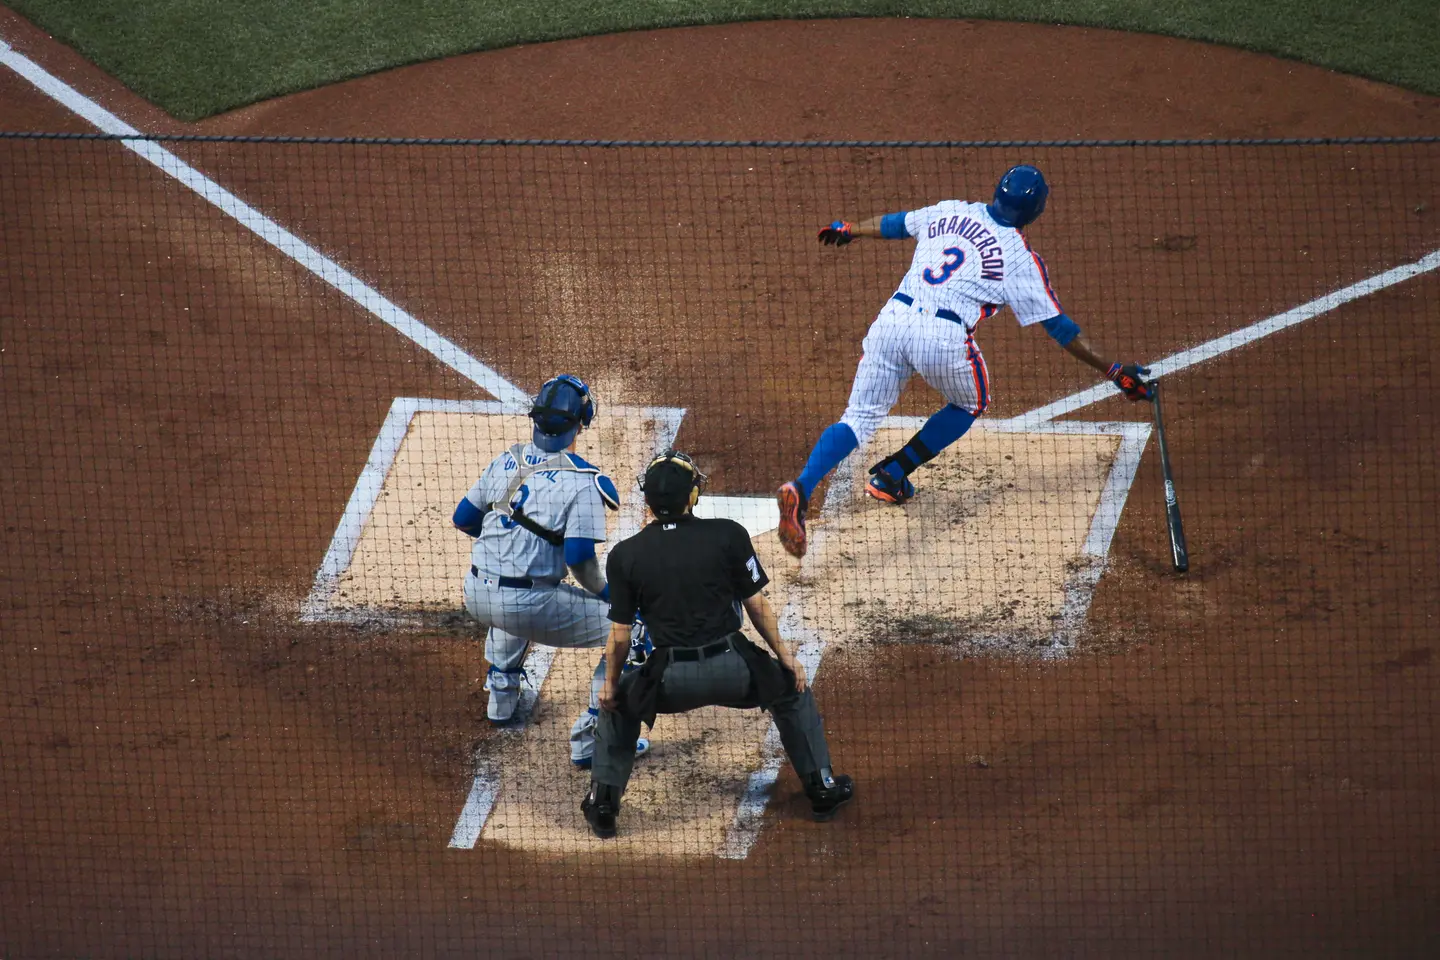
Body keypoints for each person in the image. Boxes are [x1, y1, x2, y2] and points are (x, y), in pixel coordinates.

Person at [776, 164, 1154, 558]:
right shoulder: (1020, 258)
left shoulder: (950, 210)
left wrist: (850, 229)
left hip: (893, 319)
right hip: (942, 338)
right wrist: (1113, 371)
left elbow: (895, 224)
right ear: (1036, 211)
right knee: (972, 401)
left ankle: (801, 488)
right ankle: (894, 473)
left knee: (858, 417)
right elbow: (1060, 329)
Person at [580, 450, 853, 839]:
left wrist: (609, 685)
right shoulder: (728, 535)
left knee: (618, 706)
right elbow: (757, 607)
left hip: (668, 681)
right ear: (691, 497)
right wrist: (787, 659)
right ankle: (822, 788)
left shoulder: (625, 556)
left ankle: (603, 805)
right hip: (736, 670)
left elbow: (620, 635)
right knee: (792, 692)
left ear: (649, 501)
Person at [453, 374, 648, 768]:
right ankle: (595, 739)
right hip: (526, 604)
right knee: (637, 629)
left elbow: (464, 519)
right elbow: (579, 560)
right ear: (583, 421)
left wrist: (509, 547)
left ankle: (501, 699)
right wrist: (615, 598)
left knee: (513, 595)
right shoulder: (583, 482)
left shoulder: (506, 459)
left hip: (475, 593)